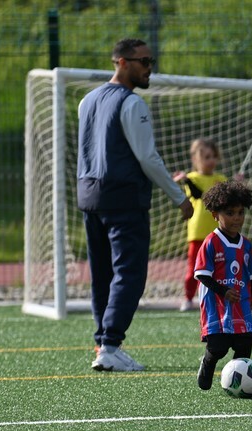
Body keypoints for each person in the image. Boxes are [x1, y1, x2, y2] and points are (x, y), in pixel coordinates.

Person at [77, 38, 194, 372]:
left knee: (102, 275)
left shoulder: (87, 100)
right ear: (121, 62)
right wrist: (179, 197)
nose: (149, 68)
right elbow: (147, 157)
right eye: (144, 61)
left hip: (90, 197)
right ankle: (110, 345)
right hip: (123, 199)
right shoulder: (132, 103)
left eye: (151, 61)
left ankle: (103, 344)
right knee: (129, 274)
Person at [194, 181, 252, 390]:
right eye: (230, 213)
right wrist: (223, 291)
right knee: (219, 347)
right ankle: (207, 363)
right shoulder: (211, 242)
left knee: (245, 343)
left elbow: (249, 279)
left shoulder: (246, 245)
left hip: (241, 305)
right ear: (215, 214)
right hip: (216, 306)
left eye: (240, 212)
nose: (237, 218)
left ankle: (238, 382)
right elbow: (202, 275)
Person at [173, 138, 240, 312]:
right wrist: (186, 180)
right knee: (194, 268)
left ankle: (219, 298)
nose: (211, 161)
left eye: (213, 157)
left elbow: (228, 202)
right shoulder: (192, 178)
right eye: (206, 157)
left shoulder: (221, 179)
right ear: (195, 159)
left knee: (219, 269)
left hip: (218, 233)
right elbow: (198, 195)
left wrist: (235, 184)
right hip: (197, 232)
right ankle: (188, 298)